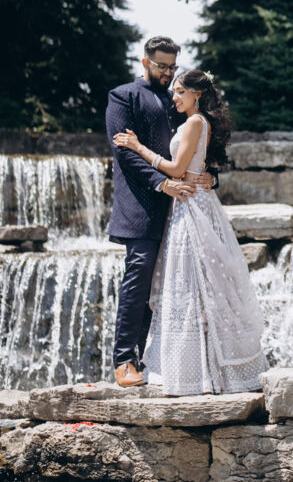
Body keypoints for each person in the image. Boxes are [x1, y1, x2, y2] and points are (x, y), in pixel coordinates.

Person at [112, 68, 268, 395]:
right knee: (193, 285)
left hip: (191, 205)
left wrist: (138, 146)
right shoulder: (194, 121)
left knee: (192, 283)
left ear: (197, 93)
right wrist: (204, 173)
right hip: (188, 202)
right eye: (174, 91)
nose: (174, 96)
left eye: (180, 91)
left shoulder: (195, 122)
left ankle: (199, 373)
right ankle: (199, 369)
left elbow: (177, 169)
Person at [104, 36, 207, 388]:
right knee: (140, 276)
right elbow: (124, 153)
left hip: (181, 208)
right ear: (145, 62)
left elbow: (198, 141)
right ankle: (124, 361)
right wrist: (162, 184)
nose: (167, 73)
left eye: (172, 67)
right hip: (141, 204)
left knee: (167, 284)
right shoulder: (123, 96)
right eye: (162, 66)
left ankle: (155, 361)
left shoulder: (177, 99)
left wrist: (211, 174)